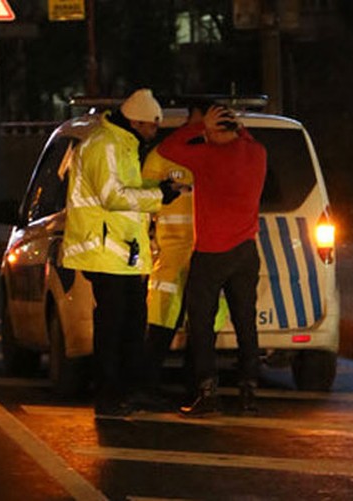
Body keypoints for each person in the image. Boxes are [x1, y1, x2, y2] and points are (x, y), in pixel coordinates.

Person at [61, 88, 181, 417]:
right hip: (104, 251)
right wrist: (159, 196)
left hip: (122, 252)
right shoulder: (105, 145)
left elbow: (127, 192)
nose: (154, 133)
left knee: (130, 325)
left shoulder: (124, 144)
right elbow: (113, 195)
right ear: (135, 121)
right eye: (152, 126)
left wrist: (159, 191)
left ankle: (129, 391)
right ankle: (109, 396)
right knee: (113, 326)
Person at [157, 104, 267, 417]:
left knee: (201, 324)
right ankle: (249, 390)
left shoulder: (206, 157)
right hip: (246, 252)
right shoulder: (257, 153)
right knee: (246, 321)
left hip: (211, 253)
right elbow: (243, 138)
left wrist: (196, 126)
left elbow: (168, 148)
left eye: (208, 131)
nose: (204, 135)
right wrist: (231, 125)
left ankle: (207, 391)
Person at [141, 103, 227, 406]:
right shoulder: (165, 154)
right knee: (164, 319)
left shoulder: (220, 151)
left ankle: (196, 388)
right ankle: (148, 386)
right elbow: (142, 197)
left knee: (204, 323)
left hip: (209, 249)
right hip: (174, 251)